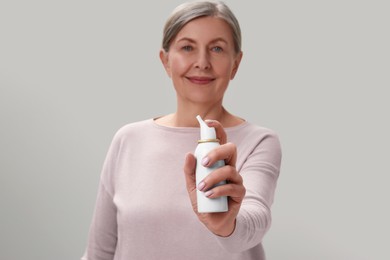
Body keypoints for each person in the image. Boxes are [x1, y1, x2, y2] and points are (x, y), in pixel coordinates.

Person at [81, 1, 282, 259]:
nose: (202, 62)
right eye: (187, 47)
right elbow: (99, 252)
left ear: (235, 63)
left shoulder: (259, 141)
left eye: (217, 49)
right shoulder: (128, 140)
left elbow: (255, 221)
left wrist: (226, 224)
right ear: (166, 61)